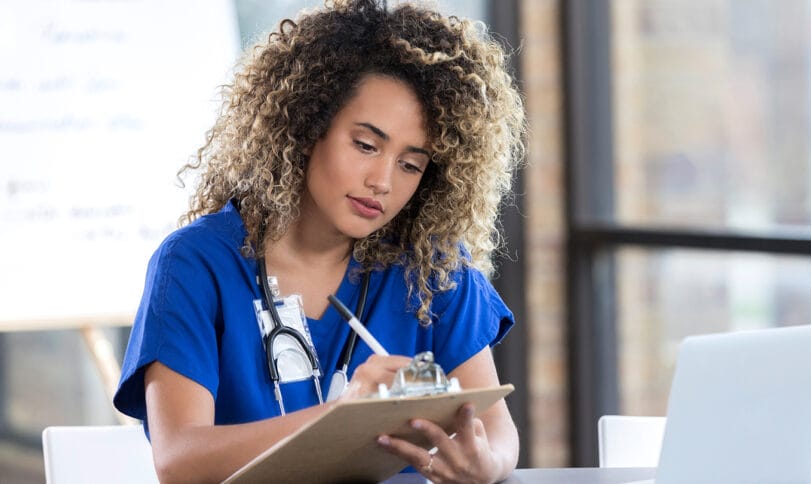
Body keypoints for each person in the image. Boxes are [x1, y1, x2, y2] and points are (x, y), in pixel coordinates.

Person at [113, 0, 527, 482]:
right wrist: (344, 419)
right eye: (366, 145)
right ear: (306, 126)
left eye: (411, 164)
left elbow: (498, 432)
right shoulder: (196, 264)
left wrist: (485, 463)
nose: (383, 181)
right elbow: (180, 460)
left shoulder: (431, 269)